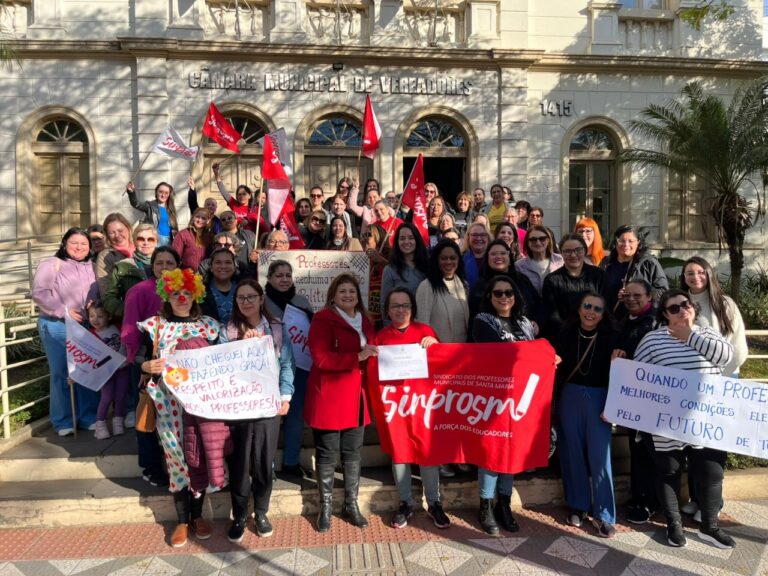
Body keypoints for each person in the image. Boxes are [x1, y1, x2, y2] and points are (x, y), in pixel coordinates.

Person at [633, 290, 735, 549]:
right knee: (668, 471)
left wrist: (690, 335)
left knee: (712, 472)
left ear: (693, 307)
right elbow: (636, 377)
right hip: (666, 423)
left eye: (685, 305)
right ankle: (674, 525)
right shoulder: (652, 339)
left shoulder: (709, 333)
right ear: (665, 314)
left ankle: (710, 527)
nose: (682, 310)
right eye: (674, 308)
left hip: (706, 421)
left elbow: (725, 358)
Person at [138, 268, 225, 548]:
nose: (182, 298)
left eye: (187, 293)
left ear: (195, 294)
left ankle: (198, 515)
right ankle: (182, 520)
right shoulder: (155, 326)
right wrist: (145, 365)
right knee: (176, 459)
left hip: (199, 405)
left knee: (198, 457)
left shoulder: (209, 326)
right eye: (176, 293)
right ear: (167, 295)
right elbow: (140, 358)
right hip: (167, 406)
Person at [221, 279, 294, 541]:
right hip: (239, 408)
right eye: (241, 298)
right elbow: (222, 368)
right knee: (240, 464)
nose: (247, 302)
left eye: (252, 296)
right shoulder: (228, 330)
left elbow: (286, 364)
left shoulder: (275, 328)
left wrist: (285, 396)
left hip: (267, 406)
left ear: (262, 299)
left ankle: (261, 512)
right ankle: (240, 514)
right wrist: (242, 343)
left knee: (263, 462)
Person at [304, 274, 377, 532]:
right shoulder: (323, 318)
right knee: (326, 453)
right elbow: (321, 358)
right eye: (342, 291)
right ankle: (326, 507)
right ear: (333, 295)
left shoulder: (365, 320)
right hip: (329, 397)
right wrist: (357, 357)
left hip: (357, 396)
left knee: (352, 452)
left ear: (358, 295)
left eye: (352, 291)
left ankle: (351, 504)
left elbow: (376, 351)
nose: (348, 295)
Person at [376, 288, 449, 530]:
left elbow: (442, 365)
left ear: (412, 308)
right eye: (395, 305)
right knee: (400, 453)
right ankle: (405, 502)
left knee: (427, 453)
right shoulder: (381, 338)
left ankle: (435, 503)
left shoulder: (424, 331)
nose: (401, 309)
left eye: (405, 305)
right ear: (387, 310)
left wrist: (435, 345)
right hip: (396, 406)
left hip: (422, 404)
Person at [472, 275, 537, 534]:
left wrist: (546, 357)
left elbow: (533, 356)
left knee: (511, 450)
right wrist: (534, 353)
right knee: (491, 451)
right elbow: (499, 351)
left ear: (515, 296)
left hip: (520, 397)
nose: (503, 297)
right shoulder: (483, 320)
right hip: (492, 398)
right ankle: (486, 505)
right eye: (497, 293)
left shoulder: (524, 323)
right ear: (490, 297)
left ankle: (505, 504)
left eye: (508, 292)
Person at [555, 292, 617, 538]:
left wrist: (612, 403)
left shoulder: (612, 337)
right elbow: (555, 362)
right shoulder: (565, 333)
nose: (591, 312)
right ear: (579, 309)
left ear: (604, 314)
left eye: (598, 309)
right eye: (587, 306)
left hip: (601, 398)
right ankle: (578, 506)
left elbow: (621, 374)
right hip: (570, 396)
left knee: (601, 458)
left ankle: (604, 515)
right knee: (572, 454)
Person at [32, 227, 100, 436]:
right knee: (62, 372)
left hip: (85, 326)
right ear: (64, 244)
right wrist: (63, 311)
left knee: (87, 372)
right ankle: (63, 421)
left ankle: (88, 417)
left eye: (83, 244)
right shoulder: (52, 264)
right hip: (57, 325)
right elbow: (39, 293)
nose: (79, 247)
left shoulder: (93, 267)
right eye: (74, 243)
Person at [122, 246, 180, 487]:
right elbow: (129, 330)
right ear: (152, 266)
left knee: (173, 417)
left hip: (177, 366)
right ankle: (151, 465)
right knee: (148, 415)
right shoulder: (139, 291)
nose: (165, 267)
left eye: (170, 262)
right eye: (159, 263)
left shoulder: (183, 289)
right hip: (148, 363)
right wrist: (140, 364)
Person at [611, 279, 658, 525]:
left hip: (648, 396)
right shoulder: (625, 319)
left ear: (649, 296)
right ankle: (639, 495)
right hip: (630, 394)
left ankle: (648, 502)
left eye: (637, 295)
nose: (631, 299)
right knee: (635, 445)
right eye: (627, 295)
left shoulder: (654, 322)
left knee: (646, 448)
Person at [264, 260, 313, 478]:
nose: (284, 279)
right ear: (270, 278)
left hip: (300, 367)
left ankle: (291, 461)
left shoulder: (301, 300)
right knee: (270, 417)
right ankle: (267, 464)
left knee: (296, 415)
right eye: (279, 275)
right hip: (271, 367)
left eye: (287, 275)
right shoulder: (262, 301)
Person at [680, 257, 747, 378]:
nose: (695, 277)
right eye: (690, 273)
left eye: (701, 272)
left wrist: (721, 376)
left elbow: (738, 345)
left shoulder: (725, 304)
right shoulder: (677, 304)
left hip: (724, 374)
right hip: (688, 375)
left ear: (709, 274)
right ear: (684, 277)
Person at [542, 234, 604, 338]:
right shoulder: (551, 280)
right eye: (567, 251)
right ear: (561, 253)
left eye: (578, 250)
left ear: (585, 251)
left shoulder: (599, 276)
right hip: (563, 337)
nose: (573, 255)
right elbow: (552, 315)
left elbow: (605, 307)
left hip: (595, 337)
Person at [469, 240, 540, 329]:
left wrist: (537, 322)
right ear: (487, 259)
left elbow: (539, 305)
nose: (498, 257)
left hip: (525, 336)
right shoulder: (480, 286)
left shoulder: (522, 280)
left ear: (510, 258)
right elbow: (474, 317)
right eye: (493, 254)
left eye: (503, 253)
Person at [602, 224, 668, 319]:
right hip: (610, 319)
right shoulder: (606, 263)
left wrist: (636, 295)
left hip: (640, 319)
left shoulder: (648, 263)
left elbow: (663, 291)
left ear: (638, 242)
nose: (626, 245)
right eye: (622, 241)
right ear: (616, 242)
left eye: (631, 241)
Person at [87, 301, 129, 440]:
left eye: (100, 316)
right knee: (107, 397)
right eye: (92, 316)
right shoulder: (89, 335)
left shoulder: (117, 327)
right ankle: (100, 424)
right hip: (105, 372)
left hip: (122, 369)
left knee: (121, 395)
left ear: (109, 316)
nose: (95, 320)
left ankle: (118, 420)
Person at [416, 240, 469, 344]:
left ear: (458, 259)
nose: (449, 262)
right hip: (437, 351)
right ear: (436, 260)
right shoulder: (426, 286)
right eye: (443, 258)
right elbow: (422, 323)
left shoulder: (464, 285)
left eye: (452, 258)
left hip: (460, 350)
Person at [103, 224, 158, 319]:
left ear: (156, 242)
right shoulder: (122, 266)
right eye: (141, 239)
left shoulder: (166, 265)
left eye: (150, 239)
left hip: (162, 323)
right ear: (134, 241)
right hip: (134, 322)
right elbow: (109, 298)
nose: (146, 243)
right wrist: (129, 310)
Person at [381, 223, 429, 320]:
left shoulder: (428, 266)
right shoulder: (389, 270)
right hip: (401, 327)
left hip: (425, 325)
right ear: (397, 242)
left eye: (411, 238)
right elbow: (384, 305)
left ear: (417, 240)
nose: (406, 241)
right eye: (402, 238)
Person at [212, 164, 270, 235]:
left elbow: (262, 223)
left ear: (249, 196)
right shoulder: (234, 204)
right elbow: (223, 191)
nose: (241, 196)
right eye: (239, 194)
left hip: (251, 239)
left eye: (244, 194)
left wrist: (247, 219)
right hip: (235, 236)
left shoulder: (255, 208)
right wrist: (216, 173)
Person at [127, 180, 180, 246]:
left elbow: (174, 227)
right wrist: (131, 192)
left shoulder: (171, 209)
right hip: (155, 240)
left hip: (169, 241)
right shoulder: (150, 206)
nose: (163, 195)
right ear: (156, 192)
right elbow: (136, 204)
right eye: (161, 192)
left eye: (166, 193)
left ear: (169, 194)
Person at [95, 213, 135, 298]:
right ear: (107, 236)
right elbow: (105, 290)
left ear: (128, 229)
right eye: (111, 233)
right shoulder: (105, 256)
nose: (117, 236)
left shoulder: (140, 248)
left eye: (120, 231)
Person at [516, 225, 564, 295]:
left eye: (542, 239)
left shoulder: (561, 260)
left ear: (548, 241)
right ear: (528, 243)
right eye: (533, 239)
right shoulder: (519, 266)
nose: (538, 243)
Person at [201, 248, 237, 324]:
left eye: (228, 262)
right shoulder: (201, 292)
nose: (223, 266)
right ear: (211, 267)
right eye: (218, 262)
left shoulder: (242, 290)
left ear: (234, 266)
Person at [172, 207, 212, 272]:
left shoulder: (211, 236)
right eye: (197, 217)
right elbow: (174, 256)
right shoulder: (183, 234)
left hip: (205, 276)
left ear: (208, 221)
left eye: (203, 218)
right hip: (186, 275)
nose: (199, 220)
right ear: (193, 217)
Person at [462, 222, 490, 290]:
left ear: (488, 237)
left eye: (483, 235)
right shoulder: (461, 258)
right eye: (474, 235)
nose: (479, 238)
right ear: (468, 237)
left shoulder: (495, 257)